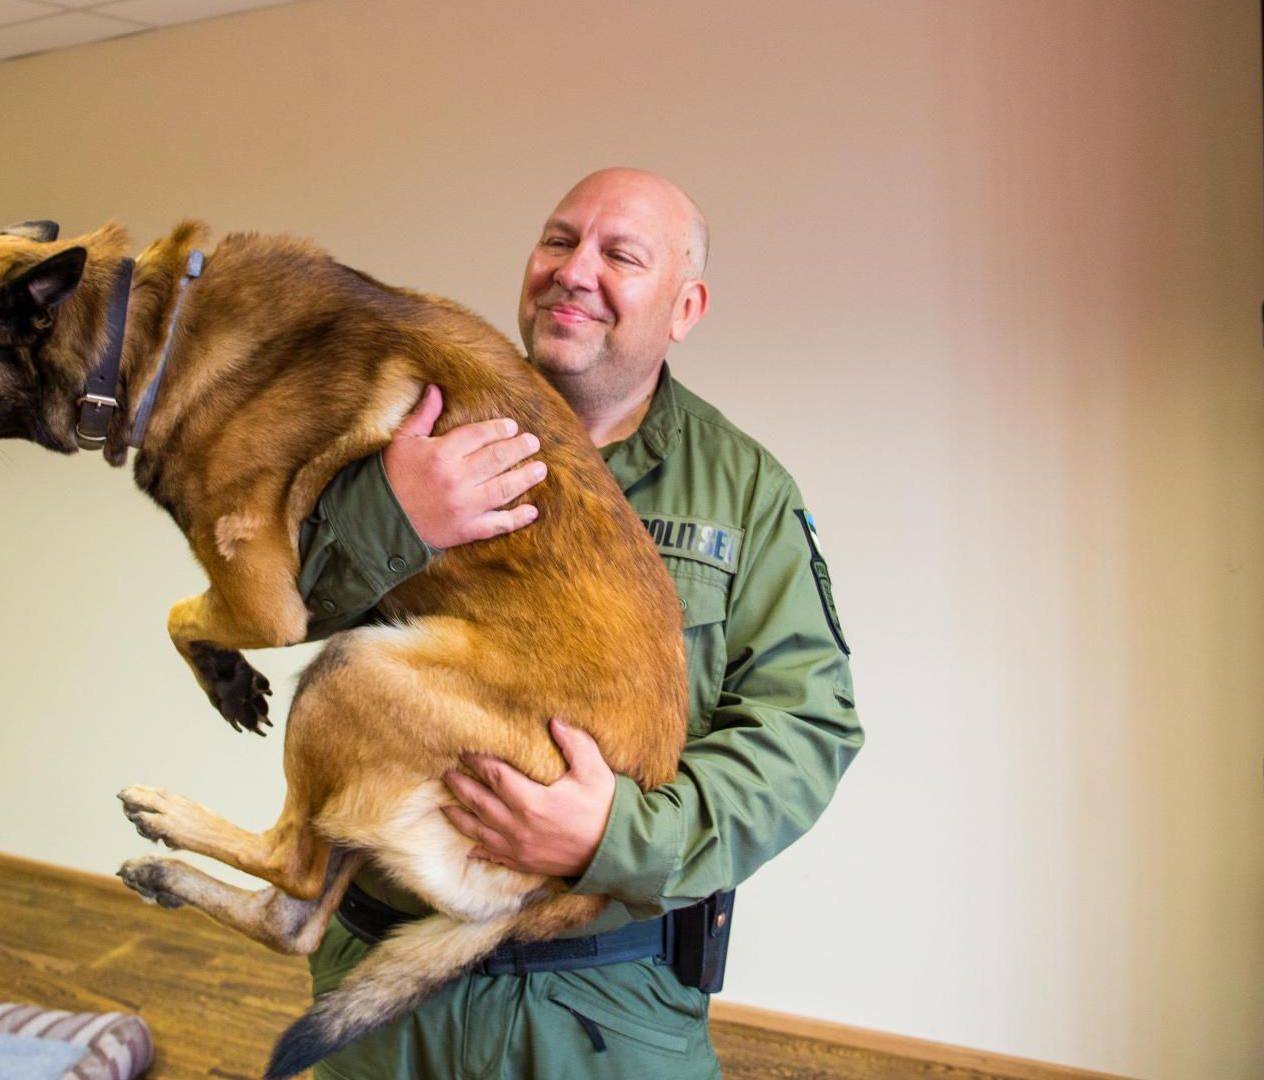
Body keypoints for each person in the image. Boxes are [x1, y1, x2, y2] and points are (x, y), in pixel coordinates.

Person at [290, 167, 863, 1078]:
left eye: (620, 255)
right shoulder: (412, 422)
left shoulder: (743, 493)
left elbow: (807, 731)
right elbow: (284, 612)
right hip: (383, 993)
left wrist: (616, 836)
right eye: (559, 240)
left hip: (602, 1013)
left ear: (685, 307)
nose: (573, 269)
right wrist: (395, 519)